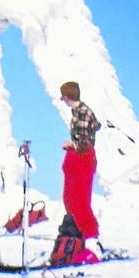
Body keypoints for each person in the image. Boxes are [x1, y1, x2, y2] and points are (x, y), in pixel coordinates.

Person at [59, 81, 102, 264]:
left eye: (64, 96)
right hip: (76, 161)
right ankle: (79, 242)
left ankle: (92, 247)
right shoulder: (77, 113)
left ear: (68, 96)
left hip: (82, 160)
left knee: (81, 203)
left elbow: (84, 143)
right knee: (70, 201)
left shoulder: (83, 113)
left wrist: (72, 145)